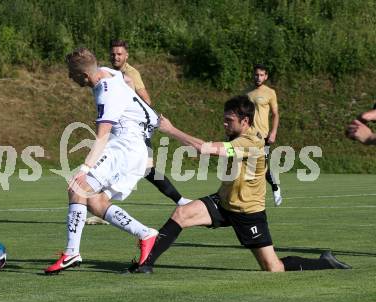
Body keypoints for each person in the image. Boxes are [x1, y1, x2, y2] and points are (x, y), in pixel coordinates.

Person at [128, 95, 351, 274]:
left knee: (273, 268)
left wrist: (171, 129)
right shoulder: (238, 138)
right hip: (223, 203)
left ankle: (325, 263)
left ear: (245, 122)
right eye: (224, 119)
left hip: (248, 212)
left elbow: (206, 149)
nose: (225, 124)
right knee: (181, 214)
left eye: (229, 120)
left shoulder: (250, 142)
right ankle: (145, 265)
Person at [44, 47, 159, 274]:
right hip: (133, 146)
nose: (70, 77)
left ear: (84, 76)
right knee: (96, 203)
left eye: (71, 74)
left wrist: (84, 169)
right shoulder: (107, 72)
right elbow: (125, 78)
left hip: (124, 146)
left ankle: (71, 253)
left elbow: (102, 136)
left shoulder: (104, 92)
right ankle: (145, 234)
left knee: (78, 187)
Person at [110, 39, 191, 206]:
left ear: (126, 55)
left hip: (134, 129)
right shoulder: (110, 73)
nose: (115, 57)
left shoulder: (130, 74)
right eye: (113, 54)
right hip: (119, 128)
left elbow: (146, 100)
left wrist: (130, 109)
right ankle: (102, 206)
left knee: (145, 169)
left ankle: (180, 200)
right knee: (117, 164)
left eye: (119, 54)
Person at [246, 64, 282, 206]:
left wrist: (273, 132)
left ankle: (275, 187)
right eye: (256, 74)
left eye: (261, 75)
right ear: (253, 75)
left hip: (264, 137)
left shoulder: (270, 92)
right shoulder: (246, 93)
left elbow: (275, 114)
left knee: (263, 167)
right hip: (248, 136)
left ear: (266, 76)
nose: (258, 77)